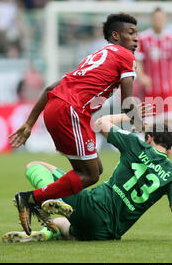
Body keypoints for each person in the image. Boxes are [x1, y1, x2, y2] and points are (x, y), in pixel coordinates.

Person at [8, 13, 141, 234]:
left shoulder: (96, 57)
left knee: (93, 169)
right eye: (131, 33)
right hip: (70, 111)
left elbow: (51, 88)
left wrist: (30, 123)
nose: (136, 39)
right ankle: (30, 199)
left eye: (137, 34)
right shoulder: (125, 56)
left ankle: (47, 199)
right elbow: (128, 102)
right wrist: (141, 121)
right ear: (115, 36)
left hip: (59, 109)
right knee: (90, 174)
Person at [4, 112, 172, 241]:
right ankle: (47, 232)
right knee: (64, 226)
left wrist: (128, 117)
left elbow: (100, 123)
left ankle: (50, 199)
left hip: (91, 205)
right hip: (107, 233)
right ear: (170, 151)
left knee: (35, 165)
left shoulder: (137, 145)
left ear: (149, 138)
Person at [134, 7, 172, 127]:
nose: (158, 21)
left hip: (168, 89)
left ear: (165, 19)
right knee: (148, 126)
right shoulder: (143, 38)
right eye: (156, 18)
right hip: (149, 89)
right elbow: (137, 61)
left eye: (161, 18)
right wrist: (141, 76)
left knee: (167, 126)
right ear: (152, 20)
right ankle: (150, 146)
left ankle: (166, 146)